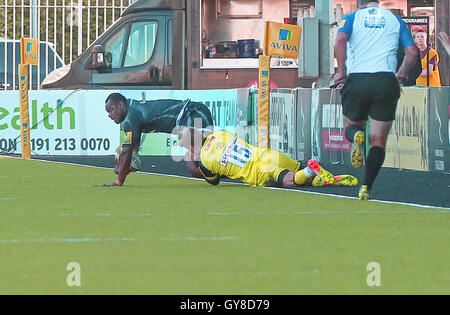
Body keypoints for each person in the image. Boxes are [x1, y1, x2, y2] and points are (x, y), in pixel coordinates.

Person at [333, 0, 418, 200]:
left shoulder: (351, 18)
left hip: (358, 79)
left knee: (351, 125)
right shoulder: (394, 18)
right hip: (385, 80)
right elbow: (412, 52)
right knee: (378, 140)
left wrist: (341, 71)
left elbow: (340, 40)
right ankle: (366, 187)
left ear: (358, 2)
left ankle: (356, 137)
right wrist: (402, 74)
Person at [178, 127, 358, 188]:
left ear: (192, 147)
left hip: (259, 171)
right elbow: (206, 133)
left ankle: (311, 171)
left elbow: (213, 181)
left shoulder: (205, 161)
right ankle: (320, 178)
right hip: (267, 153)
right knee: (299, 175)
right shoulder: (220, 134)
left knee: (292, 181)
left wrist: (190, 159)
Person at [103, 93, 214, 186]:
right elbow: (132, 151)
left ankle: (222, 154)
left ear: (121, 105)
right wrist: (124, 167)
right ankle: (220, 172)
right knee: (194, 168)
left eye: (111, 110)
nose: (109, 115)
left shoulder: (131, 118)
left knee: (196, 146)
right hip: (190, 116)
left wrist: (119, 181)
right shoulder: (131, 112)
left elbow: (127, 152)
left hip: (192, 112)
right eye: (108, 112)